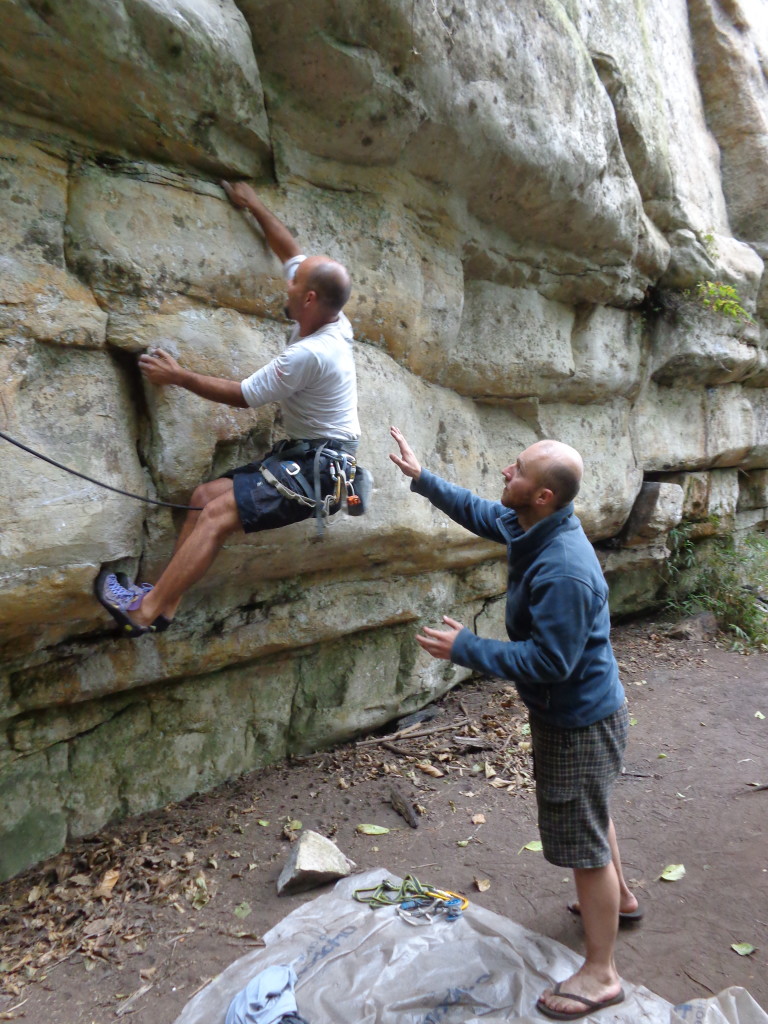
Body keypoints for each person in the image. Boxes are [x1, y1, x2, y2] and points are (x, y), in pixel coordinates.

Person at [389, 425, 639, 1022]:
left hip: (578, 721)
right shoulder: (533, 524)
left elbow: (551, 663)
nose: (507, 471)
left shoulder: (564, 569)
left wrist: (466, 648)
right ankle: (621, 900)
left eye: (519, 469)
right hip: (579, 713)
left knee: (582, 842)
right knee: (591, 813)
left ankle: (602, 973)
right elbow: (482, 513)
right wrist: (423, 480)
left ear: (543, 495)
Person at [95, 182, 360, 636]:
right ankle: (164, 607)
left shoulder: (312, 353)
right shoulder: (332, 313)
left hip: (320, 467)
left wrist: (178, 377)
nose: (288, 283)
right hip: (308, 454)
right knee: (204, 499)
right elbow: (291, 251)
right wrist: (254, 205)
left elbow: (242, 395)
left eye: (295, 284)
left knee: (217, 516)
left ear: (310, 299)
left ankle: (141, 611)